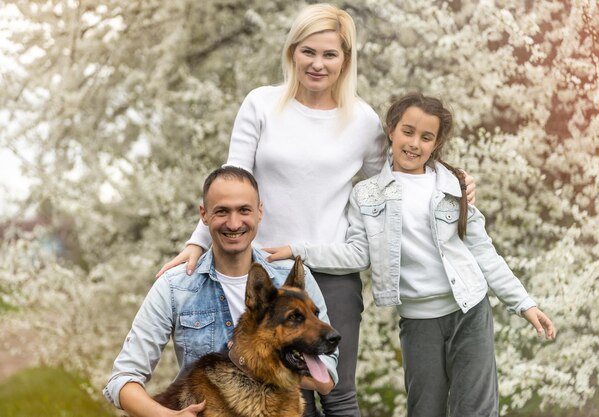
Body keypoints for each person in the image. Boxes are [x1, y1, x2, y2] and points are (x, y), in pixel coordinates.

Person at [155, 5, 477, 417]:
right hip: (268, 278)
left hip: (333, 275)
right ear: (292, 52)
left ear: (345, 60)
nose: (318, 64)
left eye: (330, 54)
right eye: (309, 52)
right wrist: (196, 244)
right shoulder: (261, 104)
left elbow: (397, 182)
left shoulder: (361, 119)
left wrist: (452, 182)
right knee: (284, 395)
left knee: (338, 394)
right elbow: (231, 183)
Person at [265, 92, 557, 417]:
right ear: (391, 129)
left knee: (475, 409)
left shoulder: (452, 186)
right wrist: (298, 250)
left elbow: (483, 252)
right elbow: (357, 254)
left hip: (469, 311)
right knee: (425, 409)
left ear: (436, 143)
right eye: (408, 131)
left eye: (426, 137)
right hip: (419, 322)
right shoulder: (366, 194)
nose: (414, 143)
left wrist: (524, 304)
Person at [103, 166, 338, 417]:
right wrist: (167, 416)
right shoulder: (174, 287)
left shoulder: (292, 280)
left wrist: (257, 361)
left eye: (244, 210)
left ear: (259, 211)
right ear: (204, 215)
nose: (234, 223)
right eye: (222, 211)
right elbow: (122, 380)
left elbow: (325, 381)